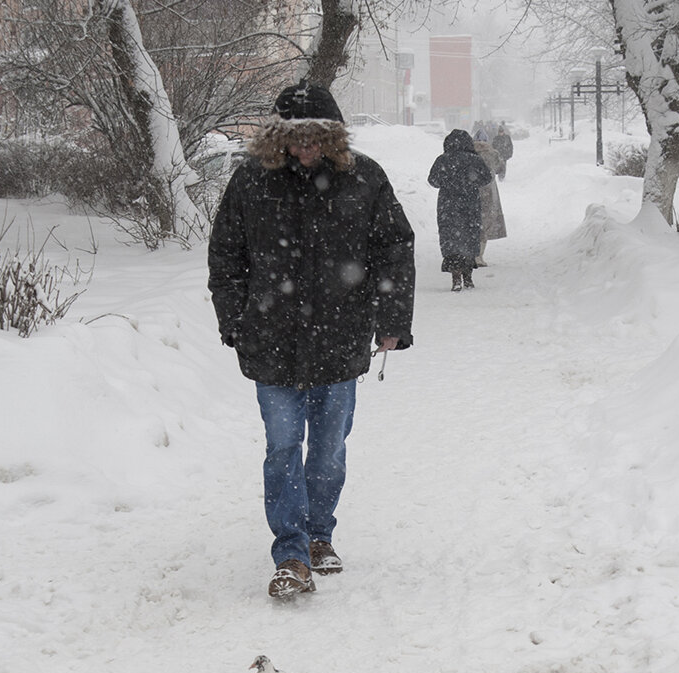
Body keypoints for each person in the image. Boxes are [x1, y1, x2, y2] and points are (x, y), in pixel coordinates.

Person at [207, 80, 416, 599]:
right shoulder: (252, 182)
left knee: (326, 452)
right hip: (270, 340)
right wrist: (236, 320)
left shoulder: (364, 179)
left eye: (316, 138)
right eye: (295, 139)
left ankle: (320, 535)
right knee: (282, 447)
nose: (306, 148)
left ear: (334, 137)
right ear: (278, 138)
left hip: (339, 341)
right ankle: (292, 554)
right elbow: (226, 256)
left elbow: (394, 249)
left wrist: (391, 319)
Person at [428, 128, 492, 291]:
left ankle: (456, 278)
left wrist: (448, 181)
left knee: (452, 239)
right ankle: (468, 277)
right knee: (469, 237)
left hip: (447, 205)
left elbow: (433, 180)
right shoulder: (475, 159)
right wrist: (470, 182)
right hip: (469, 203)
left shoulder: (442, 160)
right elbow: (486, 178)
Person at [471, 135, 508, 268]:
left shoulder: (470, 153)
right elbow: (500, 168)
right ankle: (480, 256)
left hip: (472, 191)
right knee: (485, 223)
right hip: (489, 191)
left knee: (473, 222)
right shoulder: (493, 154)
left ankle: (473, 254)